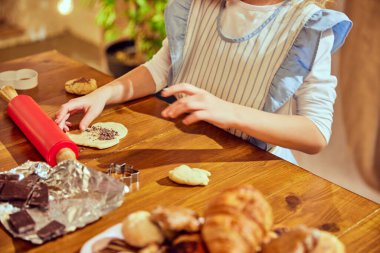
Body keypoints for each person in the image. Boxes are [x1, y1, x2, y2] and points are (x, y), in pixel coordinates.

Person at [55, 0, 352, 164]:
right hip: (185, 148)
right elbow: (160, 69)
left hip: (252, 164)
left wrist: (228, 111)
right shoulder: (197, 5)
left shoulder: (309, 28)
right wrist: (104, 94)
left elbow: (316, 134)